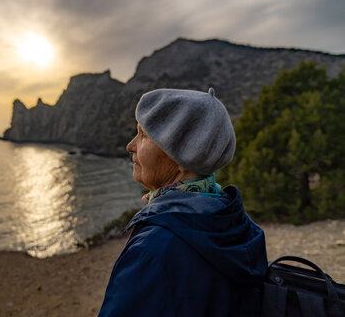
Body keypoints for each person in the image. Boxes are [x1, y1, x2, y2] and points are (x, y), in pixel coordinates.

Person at [98, 88, 268, 317]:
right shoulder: (240, 226)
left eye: (144, 135)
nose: (130, 145)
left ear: (182, 158)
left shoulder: (153, 251)